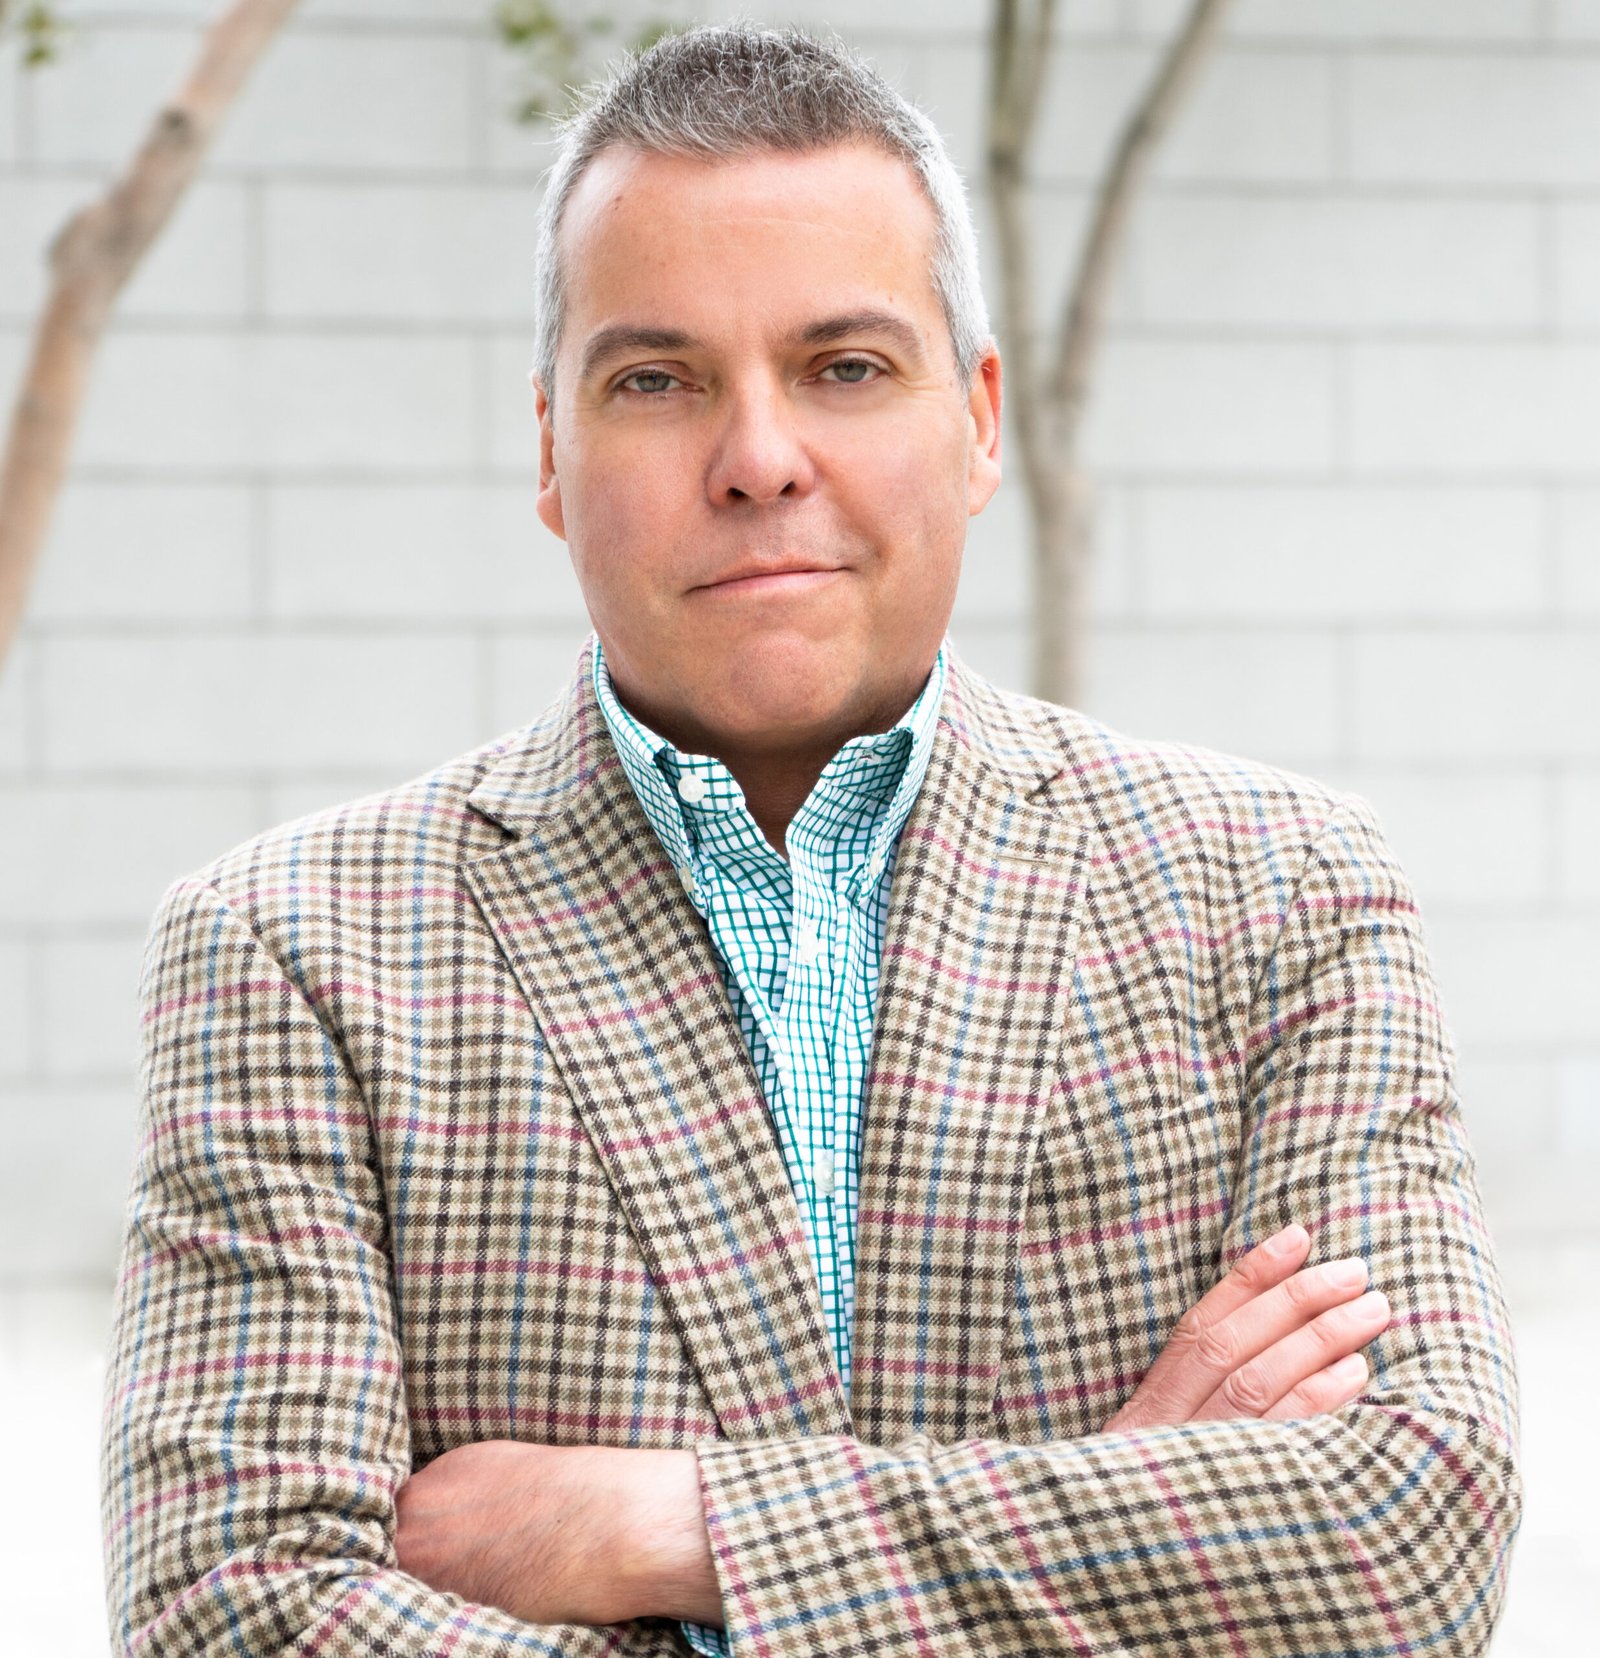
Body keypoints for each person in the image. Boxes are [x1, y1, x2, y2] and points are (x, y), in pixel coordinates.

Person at [101, 24, 1520, 1658]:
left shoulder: (1281, 892)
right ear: (552, 452)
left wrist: (660, 1527)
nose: (760, 457)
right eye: (658, 380)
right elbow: (236, 1613)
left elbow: (1405, 1538)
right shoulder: (294, 950)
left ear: (979, 421)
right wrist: (1112, 1509)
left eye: (845, 367)